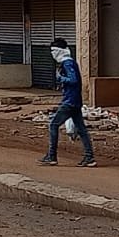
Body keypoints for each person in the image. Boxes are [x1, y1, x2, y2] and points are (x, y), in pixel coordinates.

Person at [41, 38, 96, 168]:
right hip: (75, 101)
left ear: (59, 51)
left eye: (54, 51)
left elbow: (73, 80)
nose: (52, 54)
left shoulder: (67, 64)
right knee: (82, 130)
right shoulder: (71, 62)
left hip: (69, 101)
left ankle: (52, 156)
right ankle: (89, 157)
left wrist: (61, 78)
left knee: (53, 125)